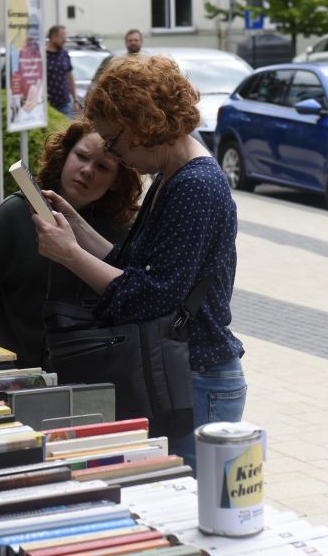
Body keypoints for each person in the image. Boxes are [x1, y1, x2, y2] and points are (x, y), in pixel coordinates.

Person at [31, 55, 245, 471]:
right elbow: (131, 265)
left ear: (143, 126)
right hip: (188, 374)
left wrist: (69, 254)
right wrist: (75, 226)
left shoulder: (193, 185)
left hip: (198, 377)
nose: (115, 152)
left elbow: (151, 297)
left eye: (114, 141)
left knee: (192, 511)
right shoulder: (173, 175)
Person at [0, 118, 141, 368]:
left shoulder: (123, 230)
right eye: (81, 156)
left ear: (117, 180)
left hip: (96, 371)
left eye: (103, 167)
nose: (88, 170)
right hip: (19, 369)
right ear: (64, 155)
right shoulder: (16, 213)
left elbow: (136, 296)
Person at [46, 25, 79, 118]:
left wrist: (75, 100)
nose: (65, 40)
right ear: (53, 37)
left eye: (65, 37)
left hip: (65, 104)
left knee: (67, 131)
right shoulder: (42, 56)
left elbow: (70, 77)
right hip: (48, 106)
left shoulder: (64, 54)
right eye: (62, 37)